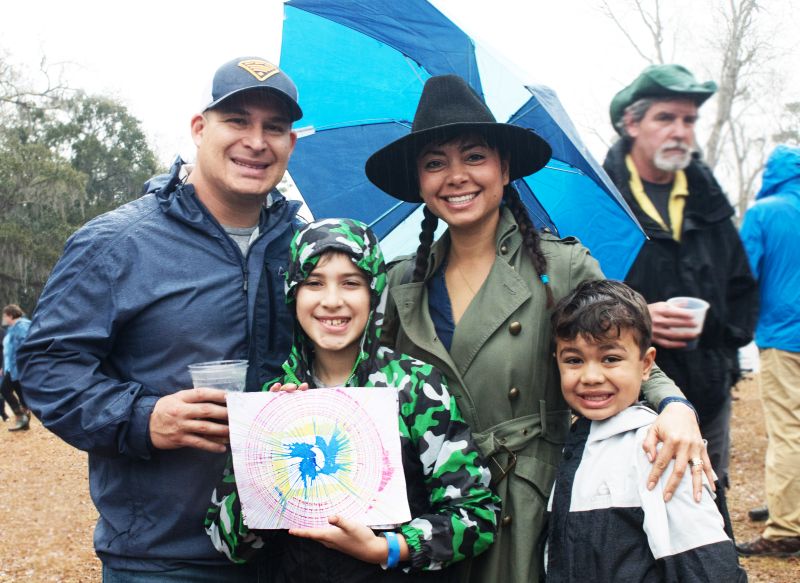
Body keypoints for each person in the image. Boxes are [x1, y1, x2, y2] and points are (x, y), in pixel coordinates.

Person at [364, 74, 711, 583]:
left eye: (474, 156)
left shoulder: (561, 266)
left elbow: (621, 352)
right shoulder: (399, 283)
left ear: (504, 168)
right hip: (432, 510)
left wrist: (675, 406)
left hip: (526, 501)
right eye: (435, 163)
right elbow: (364, 389)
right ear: (419, 183)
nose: (456, 176)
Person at [17, 56, 304, 582]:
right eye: (237, 120)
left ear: (291, 144)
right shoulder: (118, 242)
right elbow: (45, 367)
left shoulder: (305, 249)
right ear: (199, 128)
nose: (257, 141)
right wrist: (143, 418)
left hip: (290, 550)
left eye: (275, 128)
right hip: (163, 558)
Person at [206, 218, 500, 581]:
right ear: (293, 294)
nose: (332, 301)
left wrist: (388, 548)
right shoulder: (271, 401)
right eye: (314, 283)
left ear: (374, 292)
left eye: (351, 283)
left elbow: (477, 515)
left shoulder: (414, 387)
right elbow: (224, 540)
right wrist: (266, 477)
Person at [603, 64, 759, 499]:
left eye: (689, 120)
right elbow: (578, 299)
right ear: (631, 124)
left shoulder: (709, 201)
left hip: (708, 391)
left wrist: (720, 343)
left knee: (706, 502)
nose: (680, 131)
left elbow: (742, 288)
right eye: (666, 118)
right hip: (629, 396)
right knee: (634, 508)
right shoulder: (603, 202)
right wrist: (636, 317)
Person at [545, 279, 746, 582]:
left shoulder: (659, 450)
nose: (590, 376)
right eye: (574, 360)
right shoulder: (572, 446)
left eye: (610, 359)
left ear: (646, 363)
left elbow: (708, 565)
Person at [736, 144, 800, 557]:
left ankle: (785, 529)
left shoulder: (764, 213)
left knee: (788, 431)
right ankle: (787, 504)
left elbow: (743, 275)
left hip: (784, 335)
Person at [2, 304, 31, 431]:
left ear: (11, 315)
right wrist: (4, 365)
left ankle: (22, 417)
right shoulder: (12, 328)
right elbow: (9, 349)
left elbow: (26, 346)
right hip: (12, 367)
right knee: (20, 393)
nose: (3, 318)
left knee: (4, 389)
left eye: (5, 315)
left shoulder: (22, 326)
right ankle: (24, 420)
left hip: (19, 367)